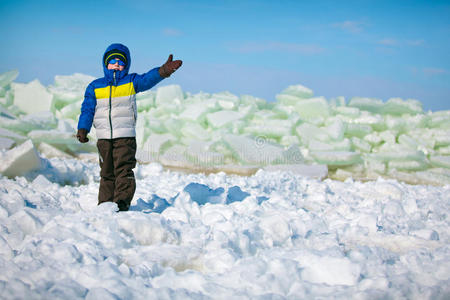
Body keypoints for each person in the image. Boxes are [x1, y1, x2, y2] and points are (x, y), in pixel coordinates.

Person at [76, 43, 182, 211]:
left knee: (123, 171)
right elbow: (87, 109)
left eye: (121, 61)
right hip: (104, 138)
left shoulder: (131, 81)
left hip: (125, 137)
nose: (116, 64)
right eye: (112, 61)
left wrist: (164, 71)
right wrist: (83, 129)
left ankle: (121, 204)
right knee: (106, 173)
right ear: (105, 63)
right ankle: (104, 205)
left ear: (126, 64)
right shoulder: (95, 86)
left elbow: (147, 79)